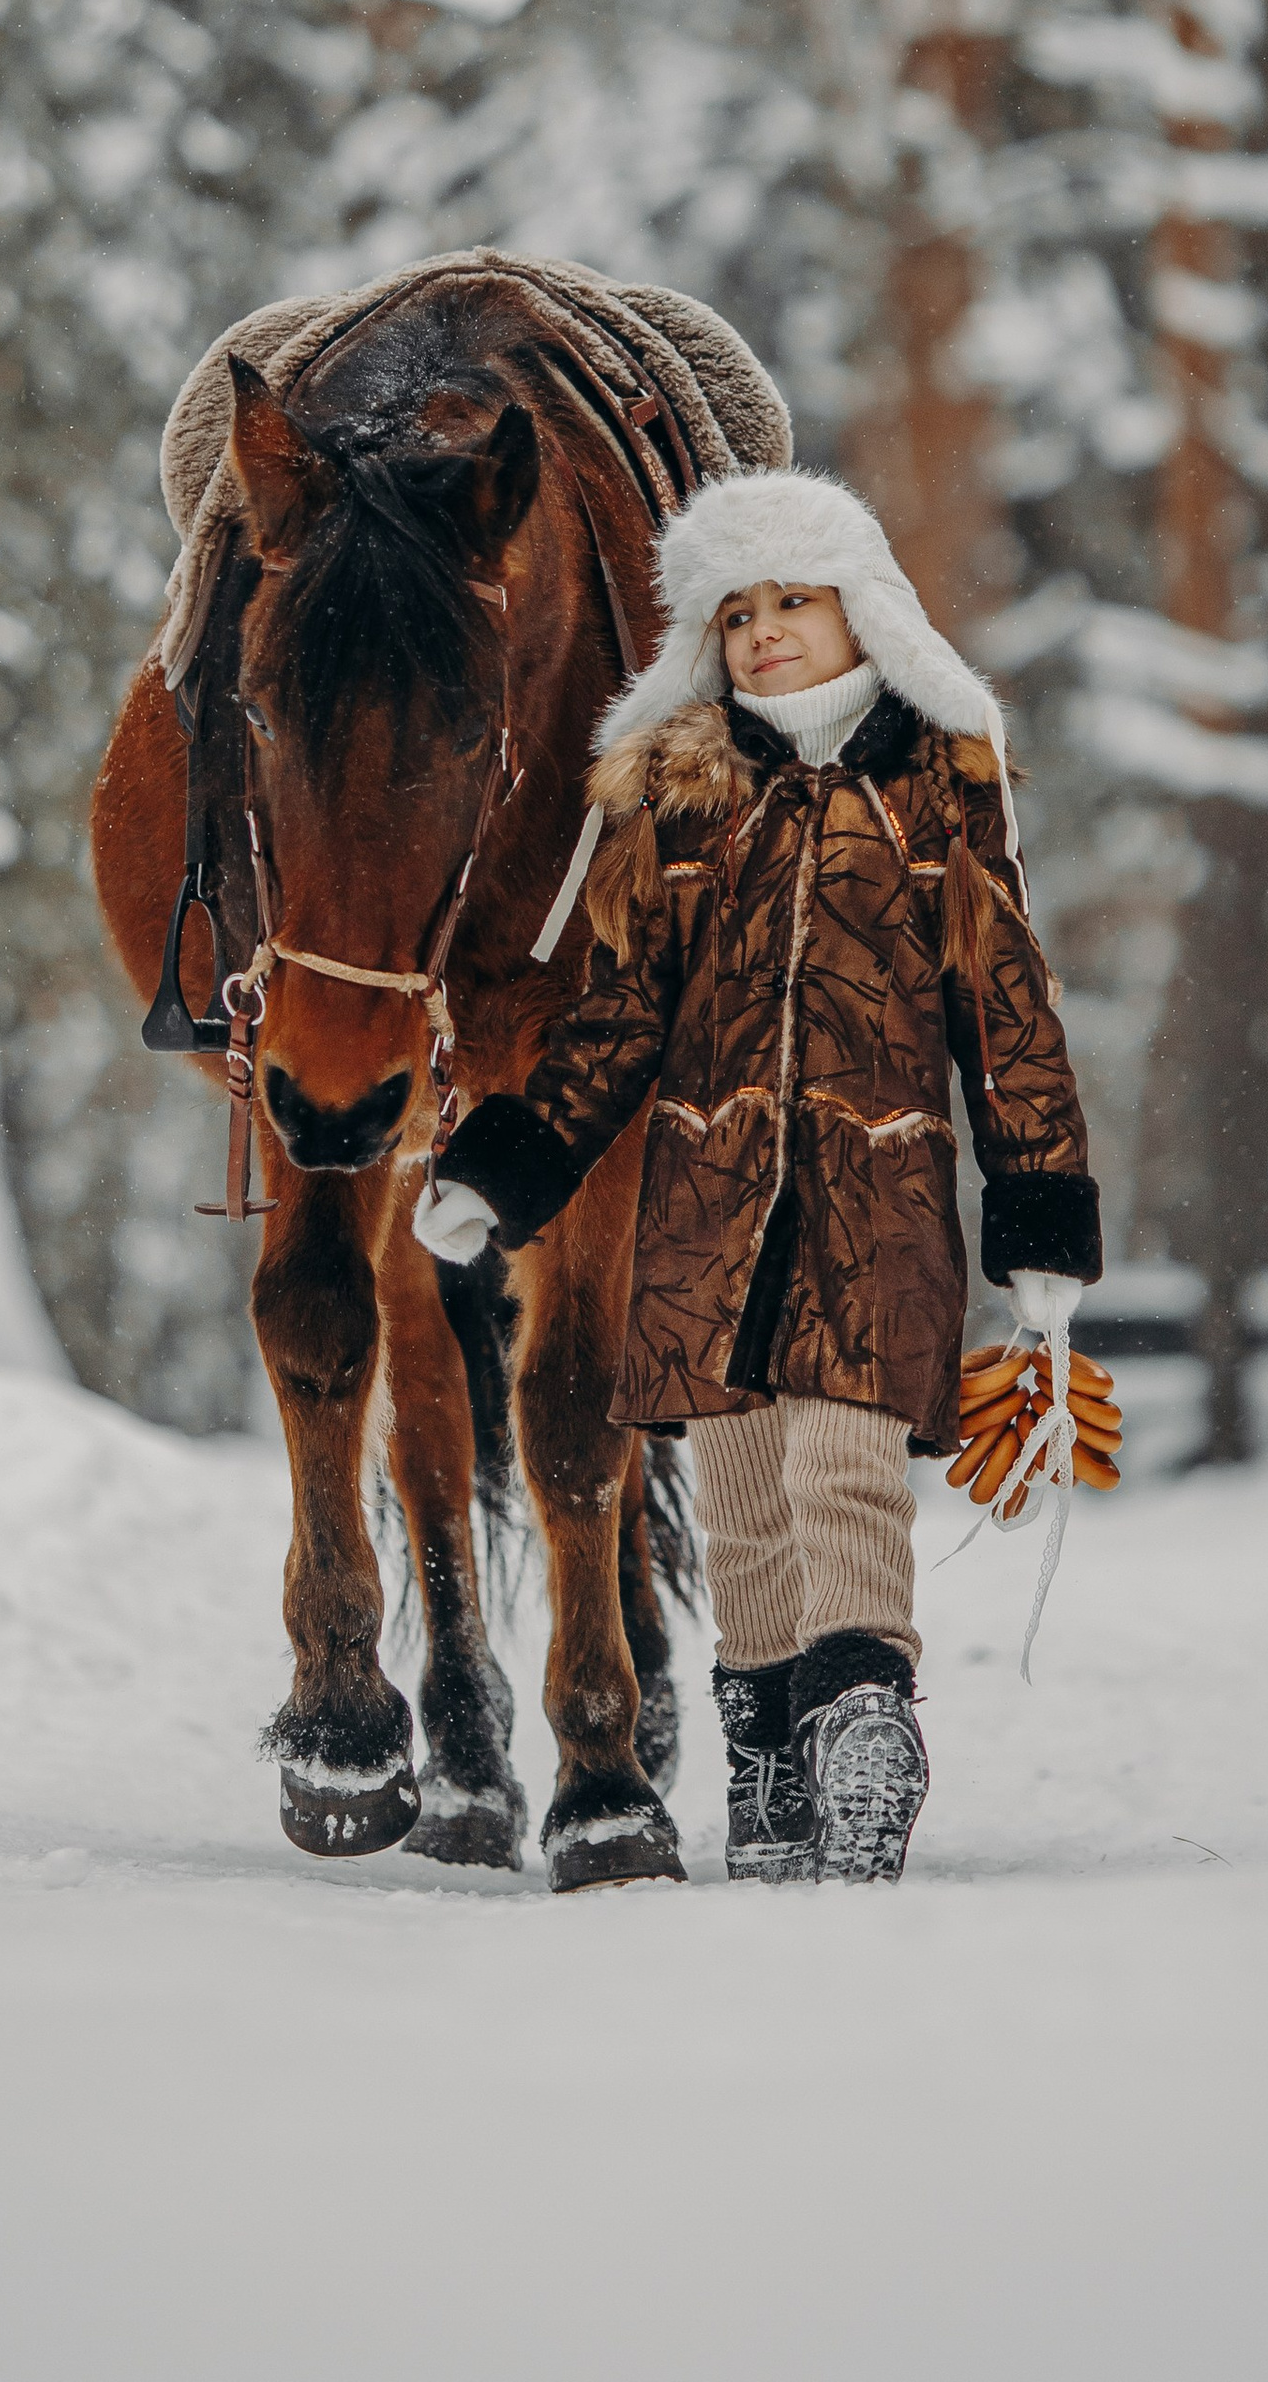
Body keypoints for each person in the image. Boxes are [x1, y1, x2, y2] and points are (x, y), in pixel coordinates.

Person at [412, 466, 1100, 1884]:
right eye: (738, 614)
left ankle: (865, 1717)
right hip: (707, 1219)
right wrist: (514, 1164)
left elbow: (1009, 1014)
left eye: (795, 602)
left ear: (869, 616)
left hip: (879, 1205)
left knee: (841, 1467)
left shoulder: (933, 796)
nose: (766, 633)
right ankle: (773, 1749)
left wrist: (1036, 1206)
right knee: (738, 1500)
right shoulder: (682, 806)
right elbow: (618, 1021)